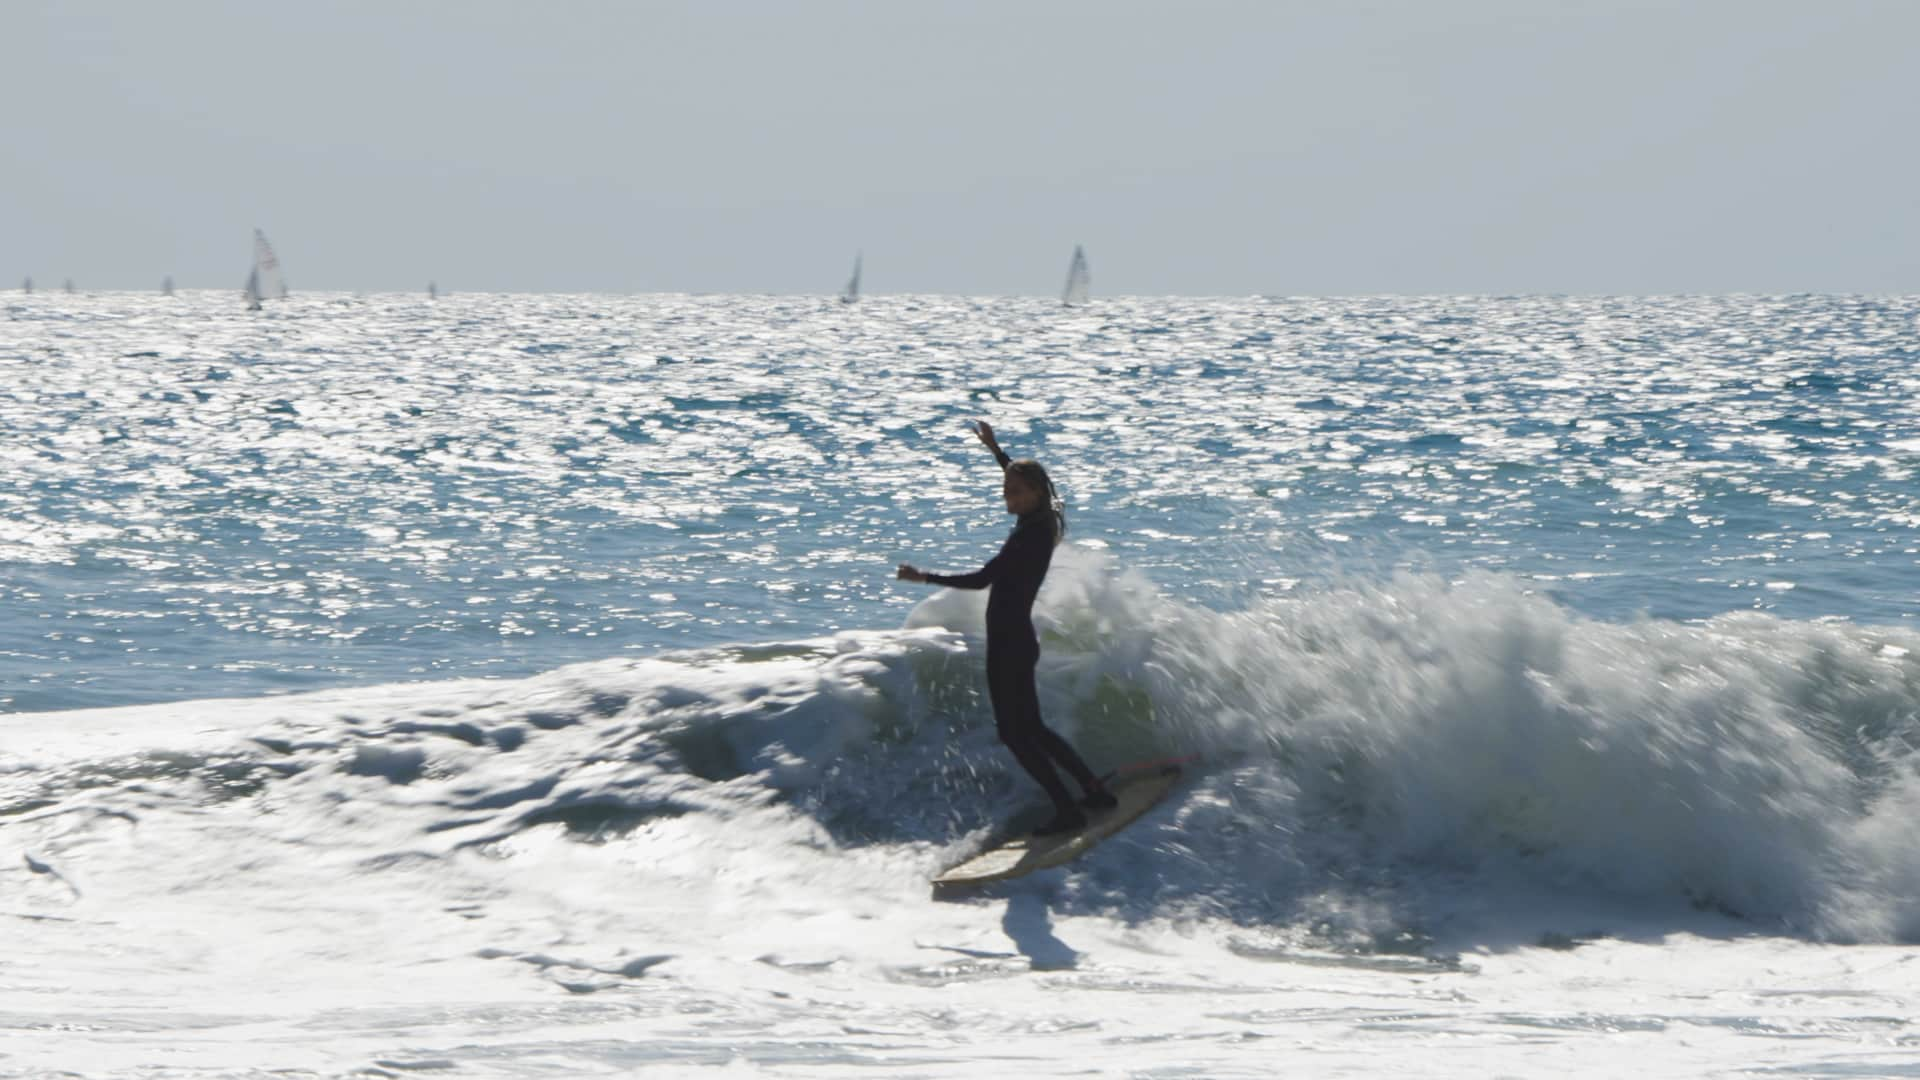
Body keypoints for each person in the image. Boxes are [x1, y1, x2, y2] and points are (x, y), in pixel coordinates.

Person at [897, 421, 1116, 835]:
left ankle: (1067, 810)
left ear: (1035, 492)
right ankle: (1093, 791)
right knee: (1032, 728)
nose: (1007, 498)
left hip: (1009, 644)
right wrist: (996, 451)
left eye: (1015, 492)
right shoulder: (1046, 514)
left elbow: (981, 580)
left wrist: (923, 577)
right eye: (1005, 491)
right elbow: (1023, 475)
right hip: (1017, 639)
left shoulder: (1028, 538)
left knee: (1016, 736)